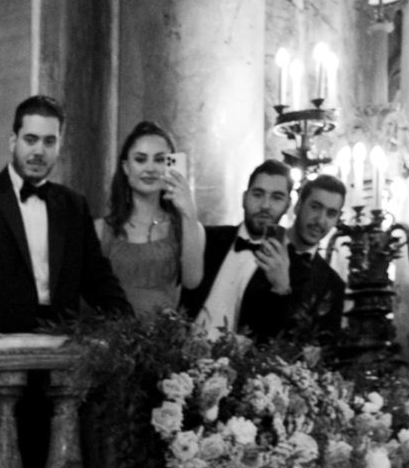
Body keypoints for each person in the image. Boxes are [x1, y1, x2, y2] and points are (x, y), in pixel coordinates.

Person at [0, 93, 131, 360]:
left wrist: (130, 329)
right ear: (13, 141)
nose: (39, 151)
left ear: (59, 145)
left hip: (59, 353)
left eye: (49, 141)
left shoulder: (74, 205)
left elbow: (98, 278)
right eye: (31, 139)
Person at [97, 119, 204, 317]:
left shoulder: (189, 227)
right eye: (140, 159)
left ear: (171, 165)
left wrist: (188, 212)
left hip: (163, 333)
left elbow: (192, 281)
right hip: (111, 332)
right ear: (126, 167)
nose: (150, 168)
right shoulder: (101, 229)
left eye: (160, 160)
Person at [188, 159, 301, 340]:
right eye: (258, 194)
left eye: (277, 197)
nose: (265, 205)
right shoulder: (208, 238)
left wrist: (281, 287)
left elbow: (280, 337)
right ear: (244, 198)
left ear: (288, 205)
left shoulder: (295, 266)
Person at [288, 173, 348, 343]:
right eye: (315, 207)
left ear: (337, 219)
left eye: (331, 213)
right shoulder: (261, 248)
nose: (321, 220)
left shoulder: (334, 286)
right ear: (298, 206)